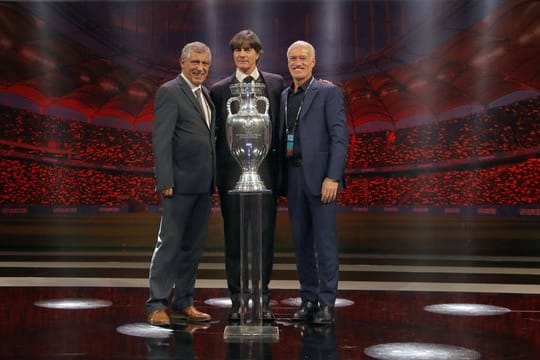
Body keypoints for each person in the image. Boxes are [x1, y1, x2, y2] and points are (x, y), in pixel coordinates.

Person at [210, 29, 285, 322]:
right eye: (238, 50)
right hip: (231, 179)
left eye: (248, 49)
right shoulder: (218, 90)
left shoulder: (276, 85)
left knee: (265, 238)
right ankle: (238, 299)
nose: (243, 54)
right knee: (234, 239)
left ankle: (263, 299)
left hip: (267, 176)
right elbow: (215, 138)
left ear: (258, 53)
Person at [146, 41, 215, 326]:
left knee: (193, 248)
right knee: (170, 245)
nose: (200, 68)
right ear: (182, 63)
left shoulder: (207, 95)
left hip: (203, 185)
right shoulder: (169, 91)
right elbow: (161, 140)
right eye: (195, 62)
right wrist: (165, 180)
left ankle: (184, 301)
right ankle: (157, 304)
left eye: (204, 64)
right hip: (178, 184)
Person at [279, 41, 348, 325]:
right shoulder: (284, 95)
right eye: (293, 58)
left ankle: (327, 303)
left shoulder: (328, 92)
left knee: (325, 244)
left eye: (302, 58)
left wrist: (333, 176)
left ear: (313, 61)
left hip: (322, 180)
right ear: (288, 62)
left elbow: (339, 137)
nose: (297, 62)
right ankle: (308, 300)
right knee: (302, 244)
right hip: (293, 177)